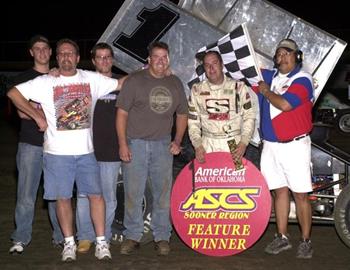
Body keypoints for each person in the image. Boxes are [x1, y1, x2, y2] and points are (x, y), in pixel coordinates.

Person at [7, 38, 126, 262]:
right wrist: (37, 116)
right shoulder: (44, 82)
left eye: (70, 53)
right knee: (62, 198)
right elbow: (13, 93)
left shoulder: (90, 78)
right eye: (62, 54)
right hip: (56, 154)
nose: (66, 57)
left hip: (86, 153)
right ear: (57, 57)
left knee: (96, 196)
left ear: (78, 58)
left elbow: (121, 84)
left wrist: (147, 71)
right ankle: (68, 243)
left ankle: (101, 242)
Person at [116, 41, 188, 256]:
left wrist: (177, 140)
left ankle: (162, 236)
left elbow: (182, 114)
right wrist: (122, 143)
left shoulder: (175, 82)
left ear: (168, 60)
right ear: (148, 59)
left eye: (164, 57)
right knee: (133, 193)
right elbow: (121, 113)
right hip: (135, 143)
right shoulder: (135, 80)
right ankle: (132, 235)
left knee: (162, 194)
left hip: (162, 145)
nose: (160, 61)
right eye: (156, 56)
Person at [255, 38, 314, 259]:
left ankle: (306, 240)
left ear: (297, 55)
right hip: (271, 146)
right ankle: (282, 237)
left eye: (288, 52)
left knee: (300, 195)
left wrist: (265, 91)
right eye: (279, 53)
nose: (283, 56)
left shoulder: (303, 79)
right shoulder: (269, 77)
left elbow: (285, 105)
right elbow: (246, 72)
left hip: (295, 146)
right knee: (279, 192)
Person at [8, 35, 63, 254]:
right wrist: (40, 116)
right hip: (31, 144)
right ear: (31, 52)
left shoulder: (60, 77)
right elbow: (21, 112)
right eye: (37, 49)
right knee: (26, 195)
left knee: (57, 195)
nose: (41, 52)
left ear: (51, 52)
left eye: (45, 48)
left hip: (57, 146)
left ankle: (61, 236)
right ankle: (20, 237)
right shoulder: (23, 79)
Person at [75, 42, 122, 253]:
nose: (104, 61)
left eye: (107, 57)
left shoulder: (122, 85)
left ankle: (103, 236)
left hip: (112, 151)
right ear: (93, 61)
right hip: (87, 151)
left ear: (112, 59)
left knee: (109, 198)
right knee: (85, 196)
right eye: (99, 57)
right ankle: (84, 236)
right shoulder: (85, 83)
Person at [188, 50, 256, 164]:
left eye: (214, 63)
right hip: (206, 145)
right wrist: (198, 145)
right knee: (208, 181)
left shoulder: (238, 87)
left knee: (235, 179)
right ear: (204, 68)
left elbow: (249, 116)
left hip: (234, 144)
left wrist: (244, 142)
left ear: (222, 65)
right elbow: (192, 121)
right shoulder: (197, 90)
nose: (211, 68)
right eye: (207, 65)